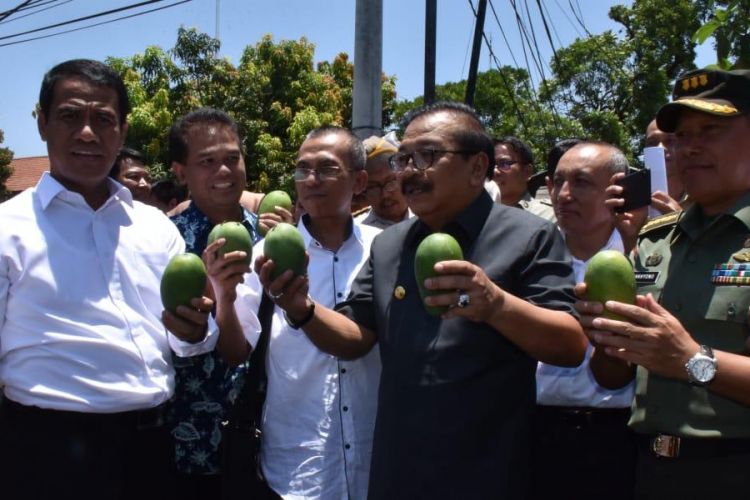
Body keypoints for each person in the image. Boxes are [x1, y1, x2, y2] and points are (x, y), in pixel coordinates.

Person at [255, 102, 587, 499]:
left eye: (427, 155)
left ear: (477, 167)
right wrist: (302, 310)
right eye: (403, 158)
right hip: (399, 474)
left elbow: (570, 344)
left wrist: (496, 305)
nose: (409, 171)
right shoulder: (390, 246)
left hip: (488, 474)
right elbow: (356, 336)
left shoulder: (529, 237)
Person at [0, 59, 224, 500]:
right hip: (44, 454)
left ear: (122, 131)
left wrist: (196, 327)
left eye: (103, 120)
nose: (87, 133)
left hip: (149, 449)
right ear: (42, 123)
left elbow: (190, 339)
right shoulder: (8, 228)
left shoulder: (155, 227)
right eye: (70, 116)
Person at [577, 68, 750, 499]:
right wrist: (606, 337)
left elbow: (682, 358)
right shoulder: (656, 242)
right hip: (648, 470)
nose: (688, 148)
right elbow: (613, 377)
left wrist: (691, 358)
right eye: (678, 137)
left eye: (711, 130)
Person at [235, 126, 382, 499]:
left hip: (378, 457)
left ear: (360, 180)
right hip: (299, 466)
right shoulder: (263, 256)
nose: (311, 180)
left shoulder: (385, 252)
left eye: (327, 169)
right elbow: (234, 349)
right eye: (302, 170)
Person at [165, 107, 262, 497]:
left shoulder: (274, 237)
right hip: (184, 447)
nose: (224, 171)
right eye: (207, 162)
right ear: (180, 172)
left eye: (232, 158)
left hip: (264, 446)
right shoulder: (164, 243)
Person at [533, 141, 635, 500]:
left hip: (616, 439)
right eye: (557, 181)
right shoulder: (528, 259)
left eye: (581, 182)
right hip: (535, 436)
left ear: (617, 189)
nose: (564, 194)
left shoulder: (644, 260)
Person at [354, 131, 412, 229]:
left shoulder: (430, 217)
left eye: (391, 182)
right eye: (373, 187)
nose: (385, 194)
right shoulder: (357, 230)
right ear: (363, 190)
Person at [493, 136, 555, 221]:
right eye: (490, 165)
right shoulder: (478, 216)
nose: (494, 171)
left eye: (504, 163)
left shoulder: (549, 217)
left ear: (527, 172)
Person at [645, 118, 688, 214]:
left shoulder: (706, 198)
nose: (660, 148)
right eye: (652, 143)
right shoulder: (636, 204)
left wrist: (677, 219)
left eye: (670, 141)